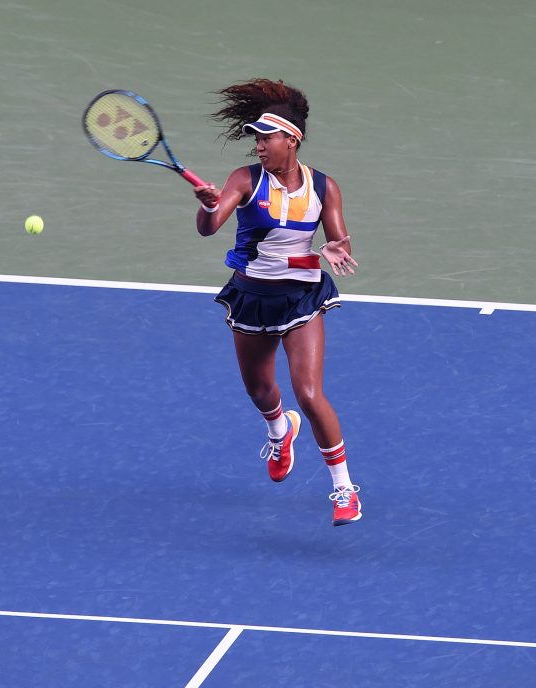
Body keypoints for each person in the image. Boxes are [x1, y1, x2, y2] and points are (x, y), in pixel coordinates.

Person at [192, 78, 362, 526]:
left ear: (292, 139)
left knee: (308, 392)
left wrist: (335, 247)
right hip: (251, 297)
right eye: (257, 138)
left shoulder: (325, 188)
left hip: (301, 298)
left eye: (267, 138)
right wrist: (208, 205)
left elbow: (339, 238)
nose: (260, 145)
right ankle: (279, 431)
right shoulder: (244, 179)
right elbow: (209, 228)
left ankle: (344, 489)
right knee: (260, 390)